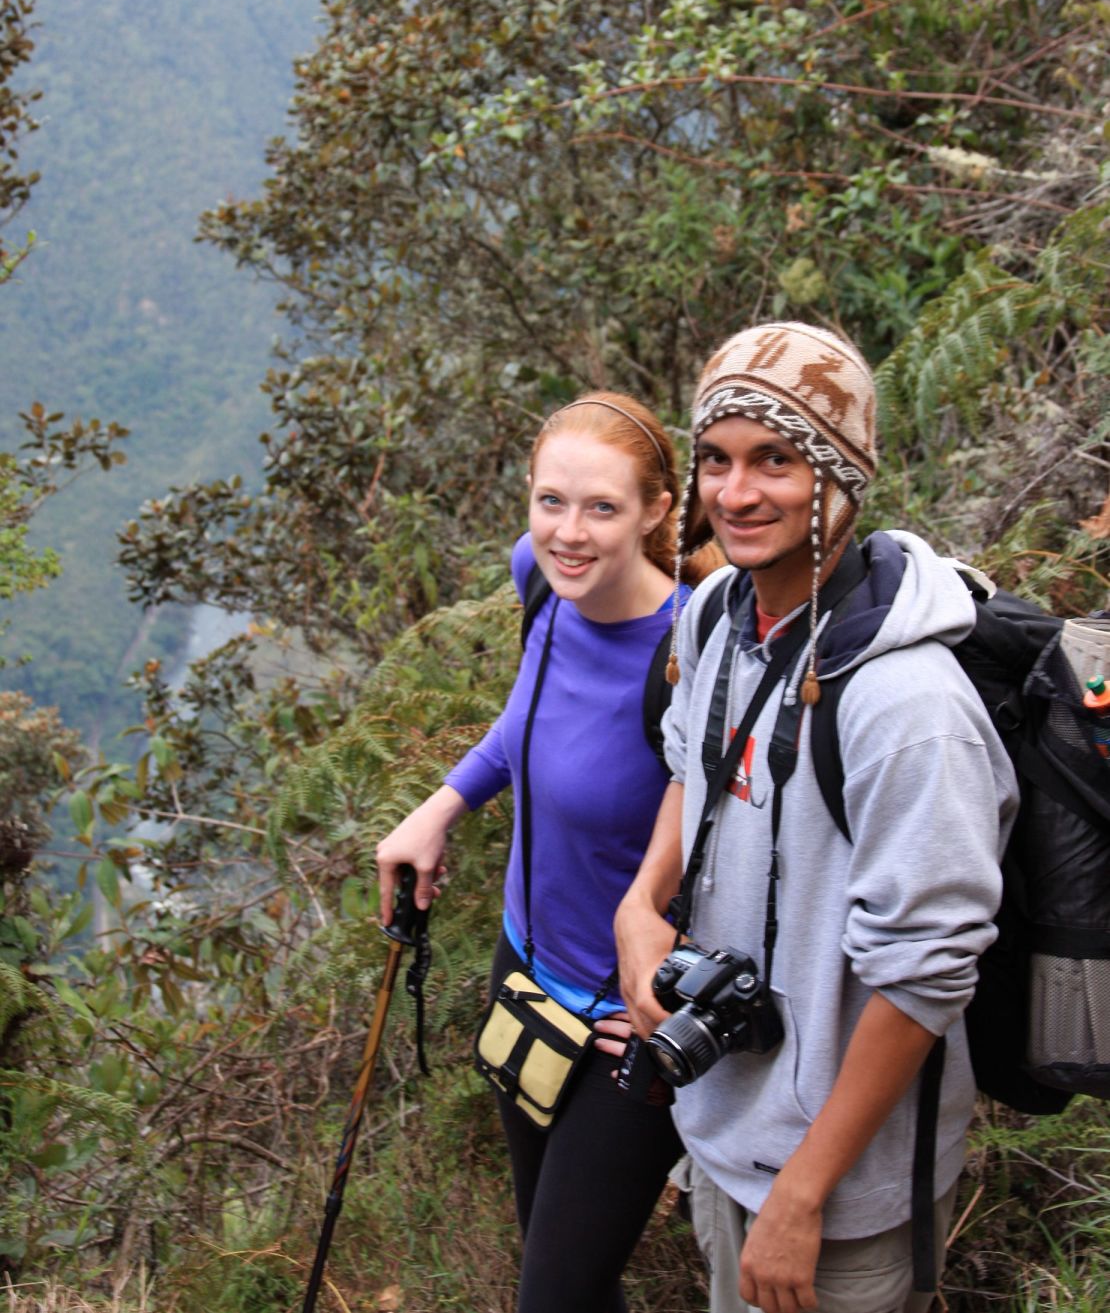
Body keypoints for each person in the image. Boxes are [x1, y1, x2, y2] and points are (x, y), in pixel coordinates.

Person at [615, 321, 1019, 1313]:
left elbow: (925, 974)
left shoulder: (910, 709)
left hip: (842, 1191)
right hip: (725, 1130)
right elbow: (691, 768)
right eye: (715, 458)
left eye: (777, 461)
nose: (737, 492)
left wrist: (803, 1195)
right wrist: (642, 901)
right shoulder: (718, 616)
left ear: (838, 477)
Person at [376, 393, 717, 1313]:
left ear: (657, 512)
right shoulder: (541, 580)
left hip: (624, 1023)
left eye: (601, 507)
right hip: (523, 973)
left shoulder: (694, 654)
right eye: (549, 501)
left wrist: (671, 991)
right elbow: (527, 721)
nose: (568, 532)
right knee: (563, 1271)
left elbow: (744, 851)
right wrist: (442, 806)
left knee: (552, 1297)